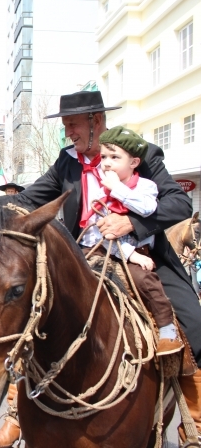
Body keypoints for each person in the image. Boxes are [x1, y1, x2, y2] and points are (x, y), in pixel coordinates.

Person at [0, 91, 201, 447]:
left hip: (138, 252)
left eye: (72, 124)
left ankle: (193, 421)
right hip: (83, 255)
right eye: (65, 125)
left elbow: (179, 203)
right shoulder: (66, 162)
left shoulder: (143, 155)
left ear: (96, 121)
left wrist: (132, 224)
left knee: (194, 323)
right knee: (33, 319)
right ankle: (17, 414)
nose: (68, 132)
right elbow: (29, 198)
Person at [81, 126, 182, 355]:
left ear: (134, 162)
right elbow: (102, 233)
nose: (107, 163)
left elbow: (147, 209)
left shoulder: (145, 187)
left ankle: (167, 329)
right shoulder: (100, 194)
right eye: (104, 157)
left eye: (115, 157)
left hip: (137, 252)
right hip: (107, 249)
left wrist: (117, 189)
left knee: (146, 281)